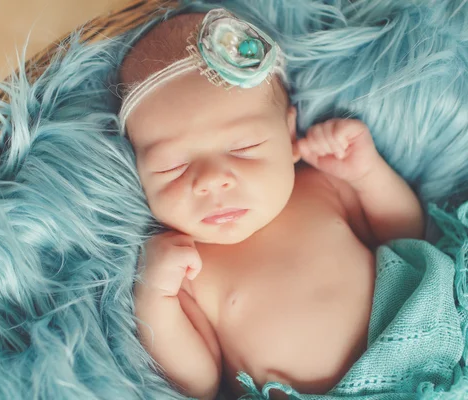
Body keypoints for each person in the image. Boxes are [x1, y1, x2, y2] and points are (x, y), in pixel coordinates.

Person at [118, 8, 424, 399]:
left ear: (288, 131)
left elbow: (409, 239)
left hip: (429, 356)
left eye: (244, 148)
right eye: (172, 167)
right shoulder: (187, 271)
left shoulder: (321, 187)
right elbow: (199, 382)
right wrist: (155, 296)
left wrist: (367, 173)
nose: (212, 181)